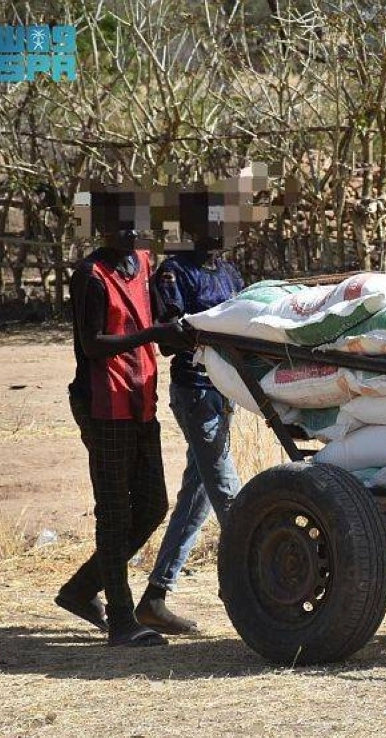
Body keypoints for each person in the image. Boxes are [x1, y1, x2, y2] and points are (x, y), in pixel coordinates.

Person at [56, 226, 191, 647]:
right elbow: (92, 345)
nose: (131, 231)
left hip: (139, 398)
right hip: (105, 404)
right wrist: (153, 336)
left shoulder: (142, 262)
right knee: (113, 513)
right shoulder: (90, 275)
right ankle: (121, 620)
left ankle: (81, 589)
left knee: (153, 505)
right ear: (100, 226)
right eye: (121, 222)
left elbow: (151, 316)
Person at [134, 225, 244, 635]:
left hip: (226, 391)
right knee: (230, 498)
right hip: (195, 392)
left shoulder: (230, 273)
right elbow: (167, 339)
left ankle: (155, 597)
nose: (217, 233)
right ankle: (246, 589)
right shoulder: (174, 271)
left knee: (197, 498)